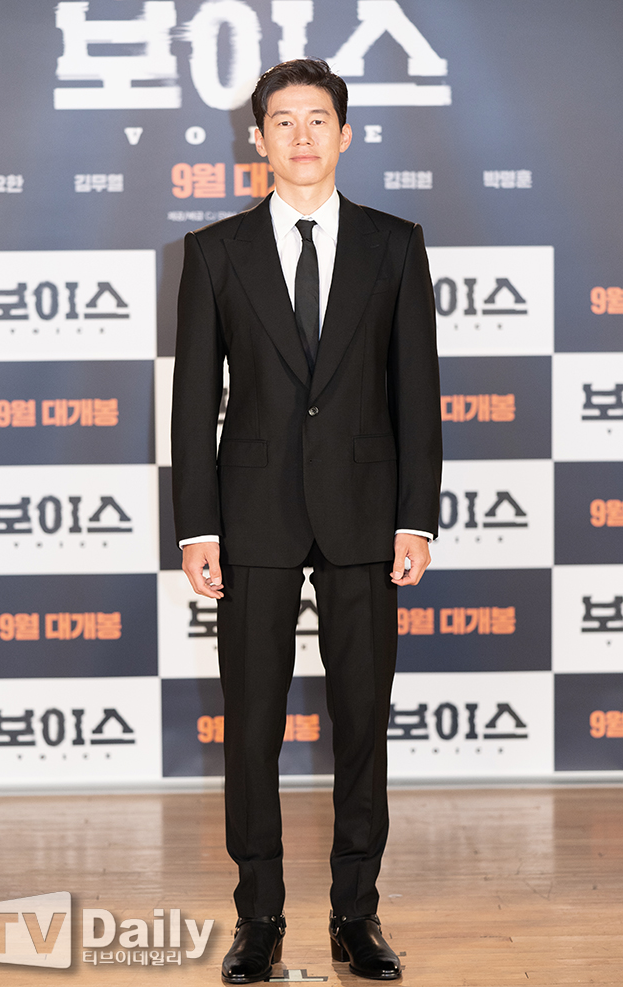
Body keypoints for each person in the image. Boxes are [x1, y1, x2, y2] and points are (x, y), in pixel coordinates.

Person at [171, 58, 442, 984]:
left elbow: (417, 392)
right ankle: (259, 918)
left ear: (345, 133)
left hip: (367, 514)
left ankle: (356, 915)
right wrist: (197, 527)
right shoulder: (214, 252)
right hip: (251, 517)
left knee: (363, 721)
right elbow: (193, 401)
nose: (300, 136)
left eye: (317, 120)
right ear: (257, 139)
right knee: (251, 725)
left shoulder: (394, 244)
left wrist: (417, 517)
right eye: (282, 121)